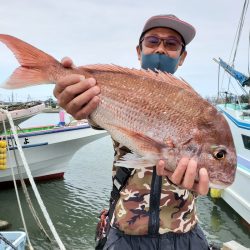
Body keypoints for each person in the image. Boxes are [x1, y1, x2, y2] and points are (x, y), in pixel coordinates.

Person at [54, 14, 210, 250]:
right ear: (139, 51)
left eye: (171, 44)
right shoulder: (121, 92)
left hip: (184, 233)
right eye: (152, 41)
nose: (160, 50)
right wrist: (77, 102)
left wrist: (205, 182)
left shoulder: (197, 108)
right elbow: (95, 115)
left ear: (182, 57)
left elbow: (213, 163)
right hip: (125, 233)